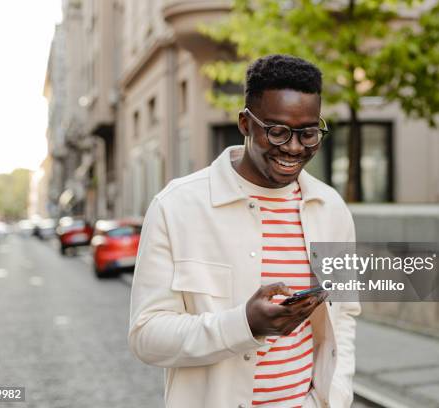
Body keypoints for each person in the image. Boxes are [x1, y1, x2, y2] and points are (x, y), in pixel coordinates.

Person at [128, 54, 360, 408]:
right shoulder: (175, 207)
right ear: (245, 124)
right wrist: (244, 325)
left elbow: (343, 316)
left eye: (309, 133)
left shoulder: (331, 209)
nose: (294, 147)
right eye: (277, 131)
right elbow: (147, 336)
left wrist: (333, 400)